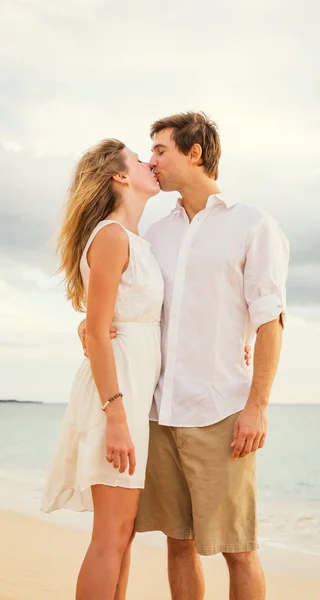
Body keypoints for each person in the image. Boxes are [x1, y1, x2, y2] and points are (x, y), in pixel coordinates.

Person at [81, 112, 289, 600]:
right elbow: (134, 300)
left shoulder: (253, 224)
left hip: (221, 409)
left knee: (239, 549)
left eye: (160, 150)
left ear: (194, 153)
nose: (152, 160)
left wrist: (257, 405)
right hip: (158, 410)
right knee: (179, 544)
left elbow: (270, 321)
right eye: (149, 152)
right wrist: (89, 325)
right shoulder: (156, 232)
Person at [41, 139, 164, 600]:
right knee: (110, 535)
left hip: (132, 388)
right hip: (117, 394)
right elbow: (96, 332)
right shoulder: (111, 237)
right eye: (139, 159)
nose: (150, 163)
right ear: (120, 177)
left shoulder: (135, 241)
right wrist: (115, 414)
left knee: (122, 533)